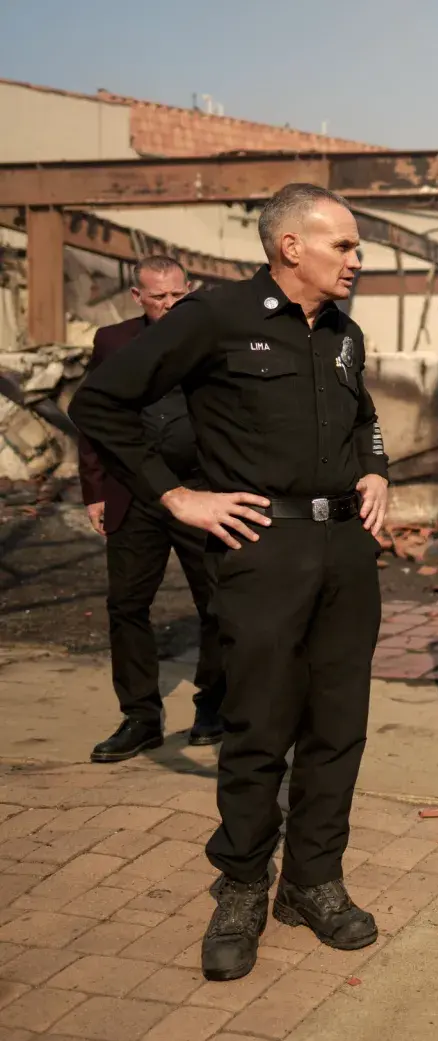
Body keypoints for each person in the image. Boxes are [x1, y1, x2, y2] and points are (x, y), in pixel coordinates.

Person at [70, 183, 390, 982]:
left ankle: (313, 882)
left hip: (347, 549)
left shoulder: (344, 333)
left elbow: (362, 416)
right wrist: (175, 495)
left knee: (337, 725)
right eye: (344, 245)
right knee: (258, 725)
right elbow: (101, 404)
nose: (358, 259)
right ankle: (245, 883)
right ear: (291, 247)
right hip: (262, 549)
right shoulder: (215, 317)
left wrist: (377, 469)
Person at [78, 256, 227, 761]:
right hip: (133, 492)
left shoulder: (210, 337)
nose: (169, 305)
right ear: (136, 297)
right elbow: (93, 417)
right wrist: (94, 490)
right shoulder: (113, 341)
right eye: (158, 297)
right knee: (126, 606)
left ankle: (214, 704)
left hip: (200, 492)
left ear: (189, 290)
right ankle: (140, 716)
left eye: (176, 295)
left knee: (218, 603)